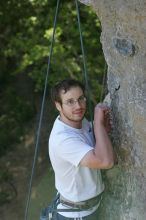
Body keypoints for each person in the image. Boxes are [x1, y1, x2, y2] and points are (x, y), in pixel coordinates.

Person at [49, 79, 114, 220]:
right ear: (58, 105)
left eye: (81, 98)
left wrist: (101, 130)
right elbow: (106, 162)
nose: (78, 106)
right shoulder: (62, 139)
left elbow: (86, 138)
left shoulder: (78, 122)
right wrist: (98, 123)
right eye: (70, 102)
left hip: (88, 208)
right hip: (76, 215)